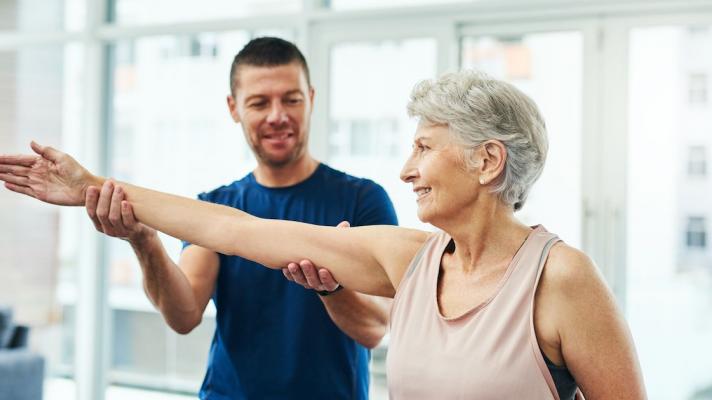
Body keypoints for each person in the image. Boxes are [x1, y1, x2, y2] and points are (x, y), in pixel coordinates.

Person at [0, 70, 647, 399]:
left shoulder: (561, 279)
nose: (406, 169)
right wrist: (90, 186)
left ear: (486, 161)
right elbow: (233, 228)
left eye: (424, 147)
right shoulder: (406, 258)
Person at [16, 37, 399, 399]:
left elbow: (375, 328)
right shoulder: (216, 206)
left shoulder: (362, 200)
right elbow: (184, 316)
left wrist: (330, 289)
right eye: (259, 103)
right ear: (233, 108)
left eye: (292, 99)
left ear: (311, 99)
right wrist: (144, 241)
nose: (278, 116)